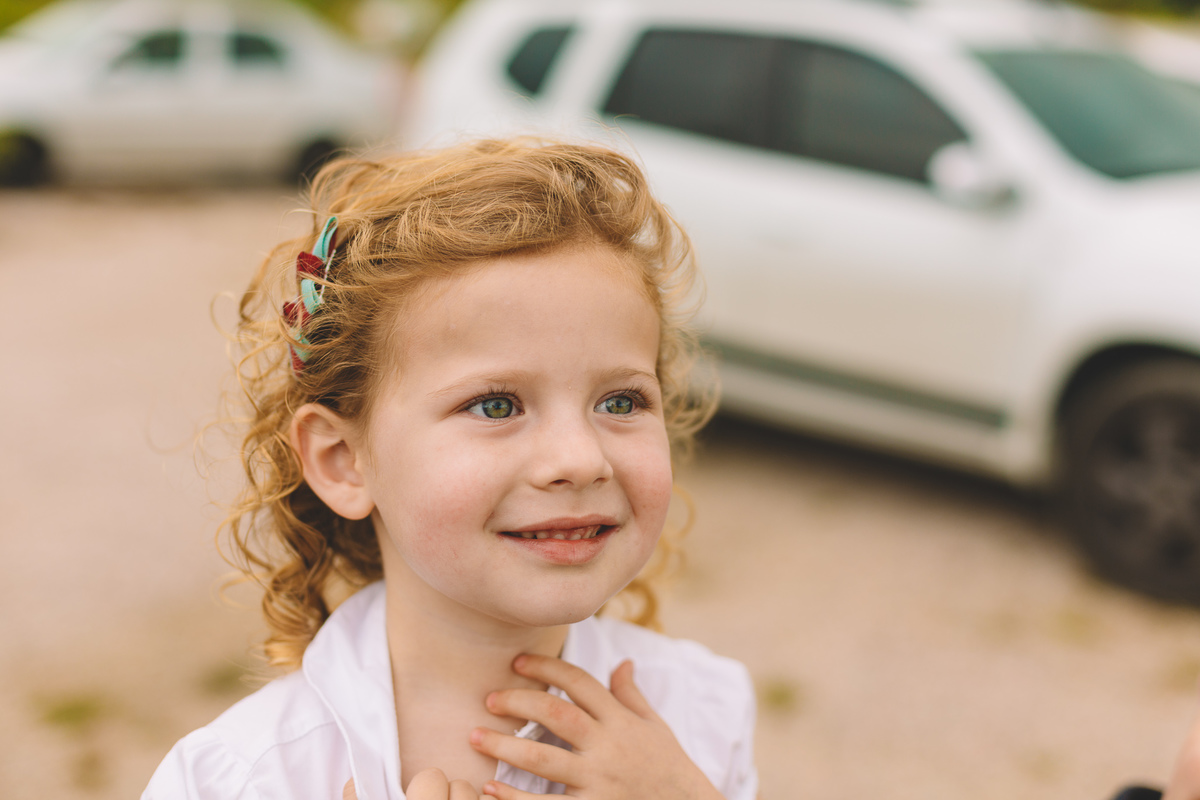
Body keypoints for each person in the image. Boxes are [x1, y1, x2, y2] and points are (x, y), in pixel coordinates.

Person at [142, 138, 757, 800]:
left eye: (620, 401)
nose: (581, 459)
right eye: (496, 405)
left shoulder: (701, 717)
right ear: (343, 460)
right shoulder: (236, 778)